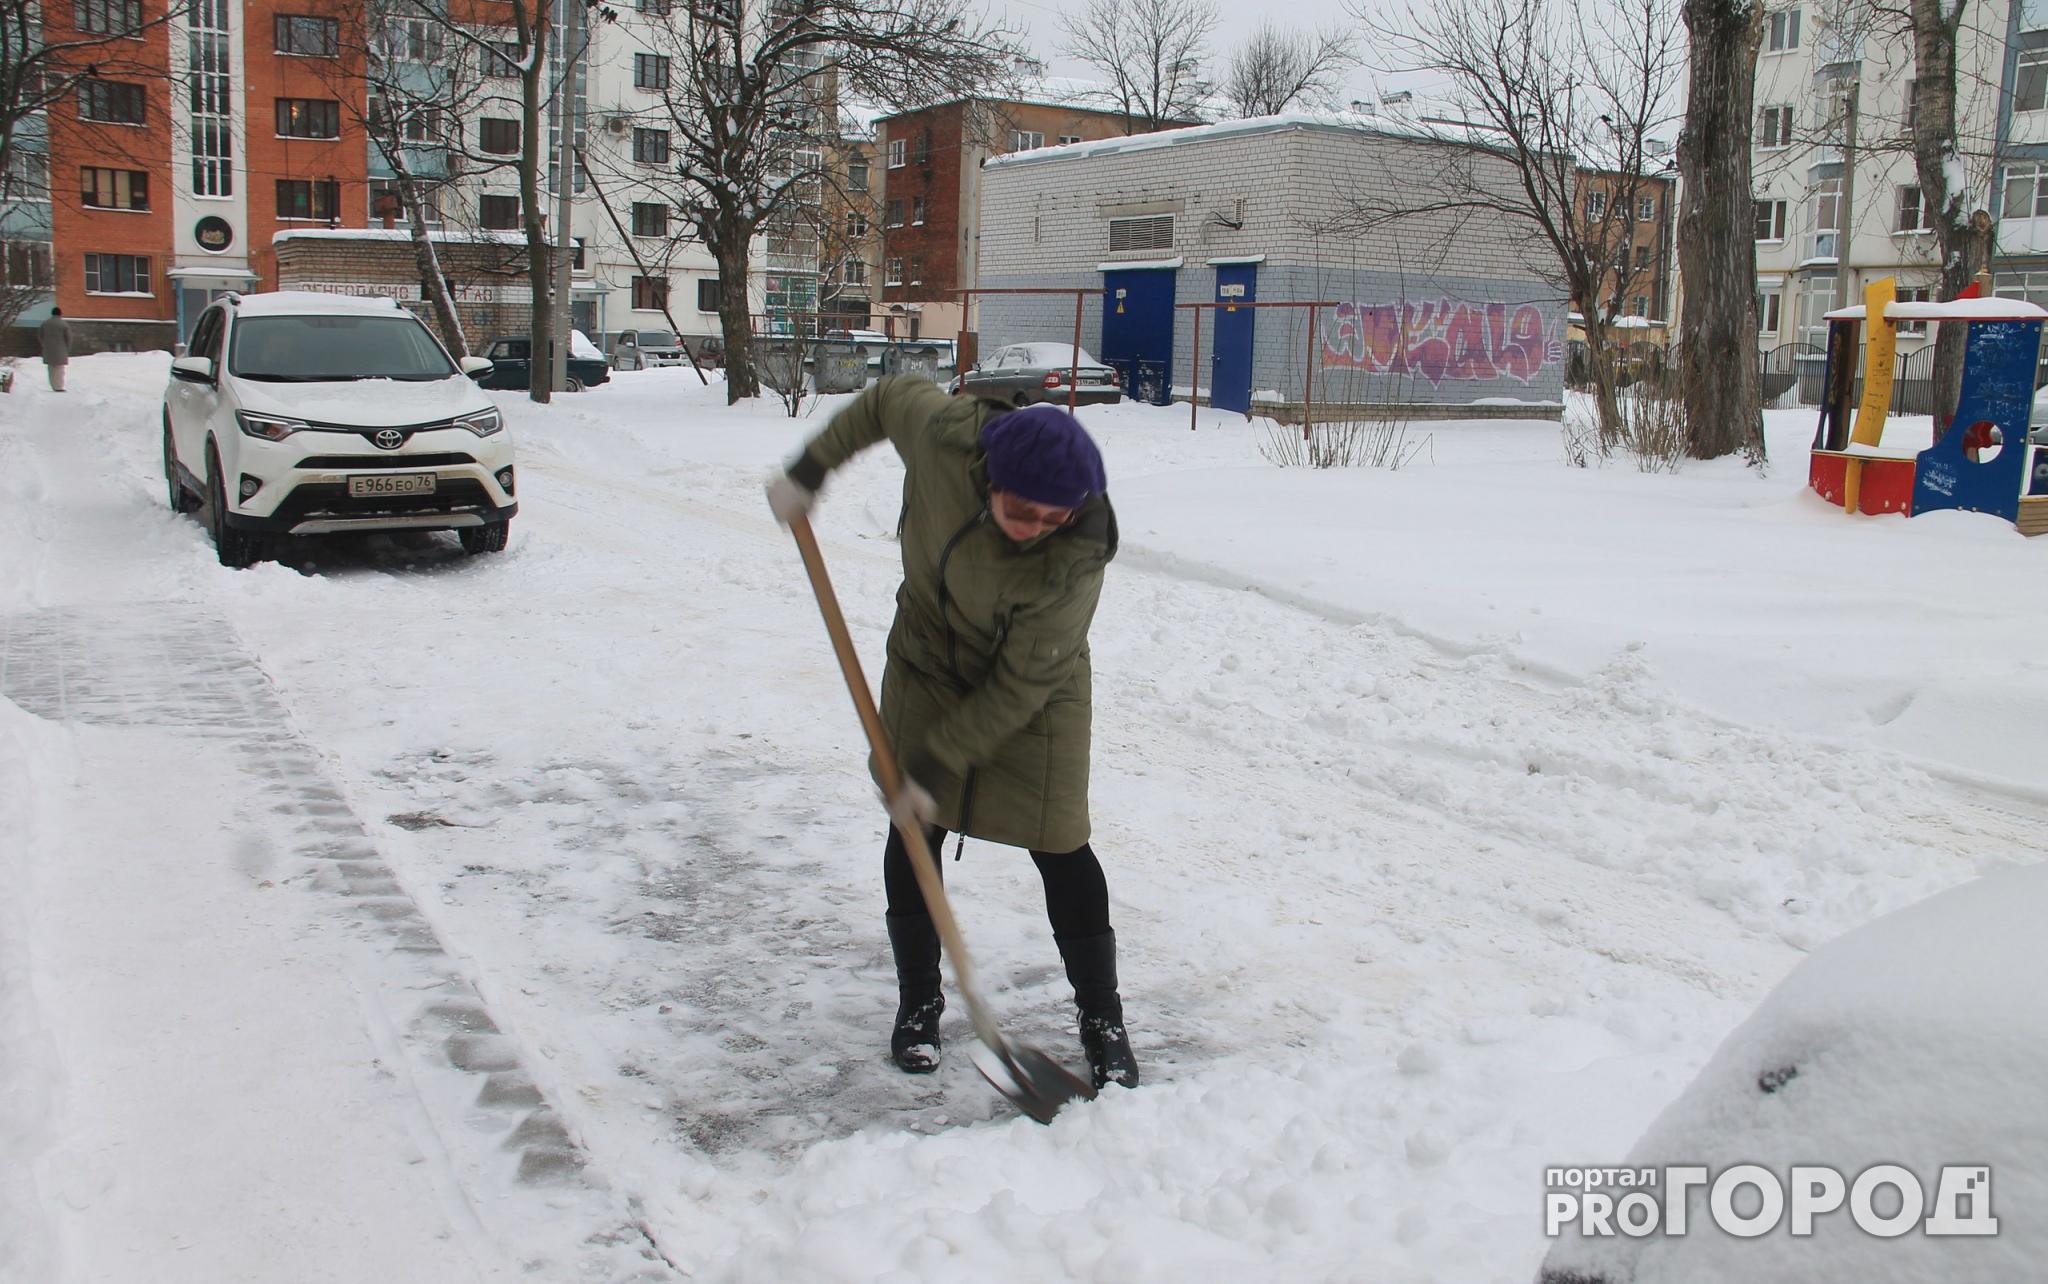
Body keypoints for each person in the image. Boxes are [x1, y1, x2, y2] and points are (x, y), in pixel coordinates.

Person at [767, 378, 1138, 1091]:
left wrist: (937, 763)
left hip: (1034, 682)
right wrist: (810, 469)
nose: (1033, 527)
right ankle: (920, 1000)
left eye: (1050, 517)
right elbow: (882, 403)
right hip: (928, 655)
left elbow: (1017, 687)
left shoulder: (1076, 556)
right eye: (1019, 510)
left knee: (1060, 841)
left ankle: (1103, 1017)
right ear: (989, 476)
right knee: (914, 829)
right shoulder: (944, 436)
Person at [40, 308, 71, 392]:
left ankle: (53, 385)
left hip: (48, 349)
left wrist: (44, 345)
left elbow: (40, 335)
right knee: (59, 369)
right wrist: (67, 348)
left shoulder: (45, 323)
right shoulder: (63, 324)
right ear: (60, 314)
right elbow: (68, 338)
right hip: (60, 349)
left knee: (51, 368)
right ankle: (59, 386)